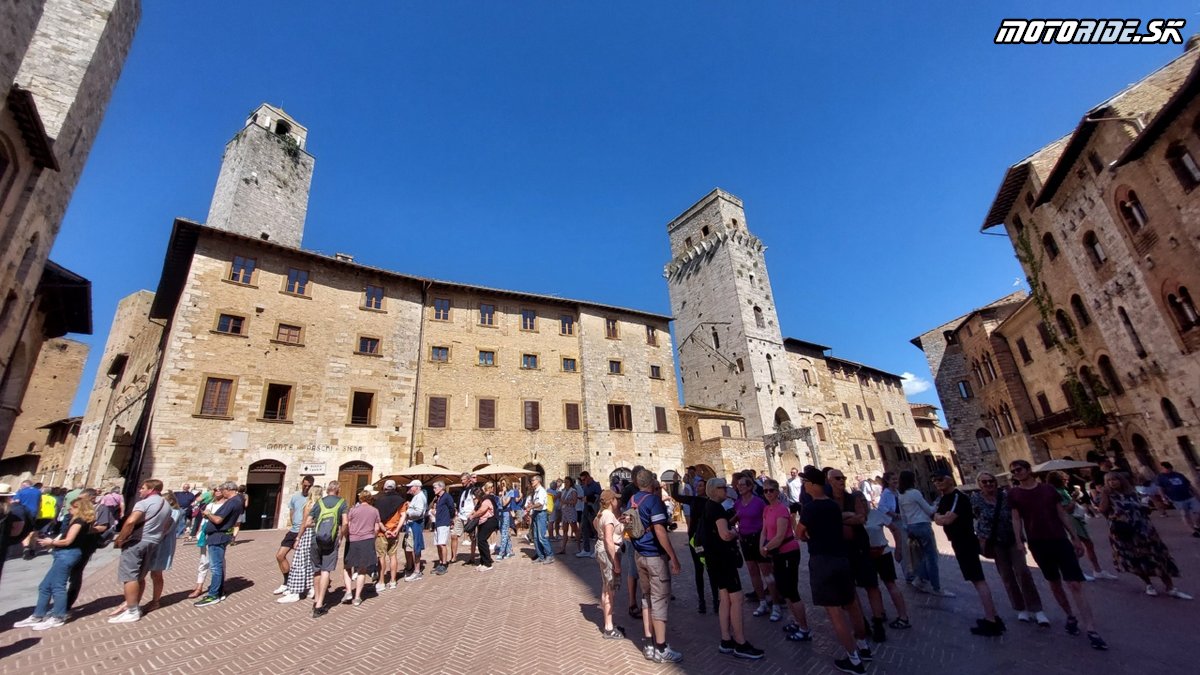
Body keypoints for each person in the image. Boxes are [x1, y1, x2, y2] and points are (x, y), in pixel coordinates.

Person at [1008, 459, 1107, 650]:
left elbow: (1061, 513)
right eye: (1013, 471)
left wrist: (1075, 537)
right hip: (1038, 543)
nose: (1016, 473)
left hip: (1059, 539)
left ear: (1029, 470)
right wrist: (1019, 541)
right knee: (1054, 583)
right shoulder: (1014, 494)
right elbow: (1015, 518)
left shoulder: (1048, 489)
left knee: (1074, 583)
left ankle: (1091, 628)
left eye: (1019, 469)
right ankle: (1070, 615)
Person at [796, 467, 871, 674]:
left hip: (822, 561)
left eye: (806, 482)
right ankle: (863, 645)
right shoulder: (832, 506)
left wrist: (807, 533)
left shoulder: (810, 508)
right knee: (852, 604)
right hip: (841, 558)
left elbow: (799, 532)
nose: (804, 485)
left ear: (812, 484)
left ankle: (854, 660)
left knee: (835, 612)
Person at [692, 477, 763, 659]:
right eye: (723, 488)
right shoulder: (717, 509)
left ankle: (726, 639)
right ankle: (740, 642)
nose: (726, 491)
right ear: (715, 490)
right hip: (723, 560)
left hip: (714, 561)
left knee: (724, 599)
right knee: (737, 599)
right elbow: (724, 534)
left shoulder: (708, 506)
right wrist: (736, 533)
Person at [1096, 471, 1192, 599]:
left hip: (1143, 529)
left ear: (1121, 480)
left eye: (1114, 479)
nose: (1112, 483)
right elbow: (1102, 510)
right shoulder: (1108, 495)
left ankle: (1170, 587)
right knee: (1135, 559)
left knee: (1157, 556)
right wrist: (1105, 496)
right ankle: (1148, 584)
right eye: (1108, 481)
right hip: (1124, 531)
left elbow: (1143, 506)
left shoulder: (1132, 493)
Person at [932, 471, 1003, 636]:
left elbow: (946, 519)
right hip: (958, 542)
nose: (937, 483)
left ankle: (992, 620)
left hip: (966, 541)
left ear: (950, 480)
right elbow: (936, 516)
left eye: (940, 479)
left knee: (978, 580)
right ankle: (992, 616)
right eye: (935, 480)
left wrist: (940, 517)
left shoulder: (958, 497)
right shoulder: (944, 499)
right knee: (975, 579)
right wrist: (939, 517)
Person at [971, 471, 1046, 625]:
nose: (988, 484)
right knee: (1006, 575)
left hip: (1013, 538)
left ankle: (1037, 609)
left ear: (995, 482)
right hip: (995, 542)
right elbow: (976, 518)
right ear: (979, 484)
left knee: (1023, 572)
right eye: (984, 482)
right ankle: (1020, 608)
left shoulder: (1006, 496)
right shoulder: (975, 499)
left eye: (990, 480)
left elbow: (1017, 514)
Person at [13, 496, 95, 630]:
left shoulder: (79, 522)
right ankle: (38, 615)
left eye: (73, 507)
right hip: (64, 554)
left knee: (58, 586)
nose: (69, 508)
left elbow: (68, 541)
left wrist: (51, 542)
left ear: (80, 508)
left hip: (68, 554)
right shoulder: (77, 521)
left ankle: (58, 616)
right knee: (45, 586)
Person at [628, 468, 683, 663]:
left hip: (639, 554)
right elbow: (660, 530)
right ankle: (661, 648)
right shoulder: (653, 501)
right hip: (654, 556)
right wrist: (673, 557)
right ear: (651, 482)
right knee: (659, 599)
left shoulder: (633, 499)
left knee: (646, 598)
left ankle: (649, 644)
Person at [828, 468, 887, 643]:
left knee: (871, 585)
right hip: (841, 549)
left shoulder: (853, 498)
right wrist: (846, 517)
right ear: (829, 481)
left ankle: (877, 622)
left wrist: (840, 518)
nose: (841, 480)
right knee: (850, 588)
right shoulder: (829, 502)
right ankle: (862, 623)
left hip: (859, 547)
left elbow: (861, 519)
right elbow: (830, 521)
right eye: (837, 478)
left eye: (843, 477)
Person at [108, 479, 171, 623]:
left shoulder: (143, 503)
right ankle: (134, 606)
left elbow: (131, 521)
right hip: (153, 542)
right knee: (140, 576)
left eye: (142, 488)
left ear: (150, 489)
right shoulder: (166, 504)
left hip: (137, 541)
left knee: (130, 576)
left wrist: (120, 539)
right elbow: (167, 524)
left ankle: (132, 610)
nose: (140, 491)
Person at [760, 478, 811, 645]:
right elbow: (764, 530)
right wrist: (762, 545)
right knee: (784, 588)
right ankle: (796, 622)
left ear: (777, 492)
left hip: (788, 552)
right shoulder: (767, 509)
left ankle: (804, 629)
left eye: (771, 490)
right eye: (765, 490)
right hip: (777, 553)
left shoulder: (782, 510)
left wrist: (766, 549)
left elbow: (781, 536)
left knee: (791, 591)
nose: (768, 493)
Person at [1047, 471, 1116, 581]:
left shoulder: (1062, 491)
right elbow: (1067, 509)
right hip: (1071, 521)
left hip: (1076, 520)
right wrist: (1074, 498)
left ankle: (1097, 570)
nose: (1067, 482)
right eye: (1065, 480)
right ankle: (1078, 571)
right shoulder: (1057, 492)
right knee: (1078, 548)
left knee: (1088, 545)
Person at [731, 474, 779, 620]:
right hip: (745, 540)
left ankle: (776, 604)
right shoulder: (738, 503)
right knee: (753, 572)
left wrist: (766, 541)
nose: (739, 487)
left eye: (742, 485)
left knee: (767, 572)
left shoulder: (758, 502)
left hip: (758, 538)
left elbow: (766, 521)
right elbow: (736, 517)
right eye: (738, 485)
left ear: (750, 487)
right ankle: (762, 601)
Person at [898, 470, 951, 597]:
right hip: (922, 525)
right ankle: (936, 587)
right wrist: (937, 503)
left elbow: (903, 515)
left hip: (911, 527)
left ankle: (919, 578)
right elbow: (929, 510)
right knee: (932, 557)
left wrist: (907, 528)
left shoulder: (901, 495)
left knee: (922, 556)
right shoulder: (915, 493)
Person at [193, 481, 244, 608]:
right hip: (221, 535)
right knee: (218, 565)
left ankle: (214, 594)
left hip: (218, 536)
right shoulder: (237, 500)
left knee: (216, 567)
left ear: (228, 489)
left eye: (223, 490)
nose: (221, 492)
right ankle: (219, 591)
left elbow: (218, 519)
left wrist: (208, 513)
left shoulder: (232, 502)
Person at [863, 504, 911, 630]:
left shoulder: (876, 513)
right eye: (858, 501)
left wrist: (898, 549)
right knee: (872, 587)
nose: (862, 503)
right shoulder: (854, 516)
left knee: (890, 584)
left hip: (883, 553)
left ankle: (903, 617)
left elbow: (895, 529)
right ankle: (879, 613)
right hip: (866, 556)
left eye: (863, 500)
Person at [309, 481, 348, 617]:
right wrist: (341, 536)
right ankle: (320, 603)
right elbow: (345, 522)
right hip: (331, 540)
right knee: (326, 570)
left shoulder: (319, 503)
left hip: (316, 539)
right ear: (338, 490)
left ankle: (316, 599)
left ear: (327, 490)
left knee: (317, 570)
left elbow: (308, 521)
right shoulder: (342, 502)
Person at [278, 485, 321, 604]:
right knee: (313, 562)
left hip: (306, 536)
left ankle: (295, 591)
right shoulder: (322, 505)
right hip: (318, 536)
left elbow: (304, 523)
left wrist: (298, 537)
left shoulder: (309, 506)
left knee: (299, 562)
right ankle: (311, 588)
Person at [274, 475, 315, 595]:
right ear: (302, 483)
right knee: (280, 555)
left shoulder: (312, 500)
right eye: (305, 485)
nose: (306, 488)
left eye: (309, 486)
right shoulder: (296, 497)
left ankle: (308, 585)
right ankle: (287, 582)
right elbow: (292, 510)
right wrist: (293, 523)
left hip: (305, 532)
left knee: (304, 561)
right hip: (293, 530)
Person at [594, 489, 625, 638]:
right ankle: (608, 627)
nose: (617, 501)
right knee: (609, 589)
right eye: (616, 499)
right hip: (608, 553)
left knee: (605, 586)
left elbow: (596, 526)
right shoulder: (608, 515)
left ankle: (609, 623)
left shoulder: (601, 513)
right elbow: (608, 539)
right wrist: (616, 562)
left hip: (601, 550)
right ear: (612, 500)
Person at [147, 490, 185, 612]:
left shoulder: (174, 512)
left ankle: (155, 600)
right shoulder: (168, 511)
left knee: (156, 573)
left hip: (162, 544)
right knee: (151, 573)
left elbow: (164, 529)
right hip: (157, 543)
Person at [342, 490, 381, 606]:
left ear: (360, 499)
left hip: (353, 540)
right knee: (362, 570)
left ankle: (348, 591)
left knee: (347, 567)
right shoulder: (374, 511)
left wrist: (346, 536)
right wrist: (372, 538)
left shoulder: (353, 510)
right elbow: (377, 528)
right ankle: (358, 597)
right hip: (367, 540)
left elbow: (347, 525)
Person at [188, 488, 225, 599]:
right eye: (216, 490)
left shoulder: (227, 505)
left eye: (220, 490)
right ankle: (199, 587)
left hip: (218, 535)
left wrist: (209, 515)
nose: (217, 492)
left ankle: (219, 588)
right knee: (203, 561)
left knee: (218, 563)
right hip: (206, 533)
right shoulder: (210, 505)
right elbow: (204, 520)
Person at [373, 479, 407, 589]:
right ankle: (393, 581)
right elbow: (403, 515)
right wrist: (397, 529)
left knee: (381, 556)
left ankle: (381, 581)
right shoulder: (400, 500)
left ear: (384, 488)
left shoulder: (378, 500)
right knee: (393, 556)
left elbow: (377, 518)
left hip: (382, 532)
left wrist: (384, 530)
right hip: (394, 532)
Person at [1156, 461, 1200, 537]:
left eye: (1168, 468)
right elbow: (1160, 488)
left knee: (1198, 511)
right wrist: (1164, 498)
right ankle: (1192, 530)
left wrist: (1196, 494)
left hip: (1188, 496)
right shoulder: (1161, 477)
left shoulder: (1178, 475)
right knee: (1185, 514)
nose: (1166, 470)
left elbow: (1189, 485)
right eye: (1164, 468)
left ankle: (1197, 524)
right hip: (1177, 499)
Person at [403, 480, 428, 581]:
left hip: (415, 524)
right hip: (412, 524)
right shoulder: (417, 497)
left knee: (415, 547)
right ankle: (413, 568)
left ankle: (417, 571)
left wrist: (407, 511)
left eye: (411, 487)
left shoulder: (420, 497)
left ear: (417, 487)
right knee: (411, 547)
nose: (410, 489)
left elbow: (418, 512)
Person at [468, 483, 497, 571]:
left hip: (490, 521)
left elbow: (481, 511)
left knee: (482, 540)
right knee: (480, 541)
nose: (475, 497)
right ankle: (483, 561)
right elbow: (476, 509)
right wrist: (471, 514)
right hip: (482, 522)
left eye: (475, 495)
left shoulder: (486, 500)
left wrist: (473, 516)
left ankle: (488, 563)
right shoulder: (481, 500)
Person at [526, 475, 553, 564]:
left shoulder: (541, 491)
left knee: (542, 537)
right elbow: (535, 503)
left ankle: (549, 555)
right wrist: (531, 506)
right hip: (536, 513)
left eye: (533, 480)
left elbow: (540, 504)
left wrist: (531, 507)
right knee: (536, 537)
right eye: (531, 480)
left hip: (541, 514)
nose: (531, 482)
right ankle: (540, 555)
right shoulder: (535, 491)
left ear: (538, 481)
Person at [432, 480, 455, 574]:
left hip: (444, 523)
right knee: (438, 544)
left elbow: (451, 509)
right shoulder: (438, 498)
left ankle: (444, 564)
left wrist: (450, 519)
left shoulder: (447, 497)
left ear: (441, 488)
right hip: (438, 523)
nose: (433, 490)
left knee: (442, 544)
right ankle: (440, 562)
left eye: (435, 488)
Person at [452, 473, 476, 564]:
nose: (462, 482)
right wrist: (457, 513)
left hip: (469, 516)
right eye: (461, 480)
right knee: (454, 535)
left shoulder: (473, 490)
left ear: (469, 480)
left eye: (463, 480)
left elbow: (477, 503)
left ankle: (472, 557)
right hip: (460, 516)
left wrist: (472, 514)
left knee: (472, 537)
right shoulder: (462, 491)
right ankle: (453, 557)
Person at [579, 471, 601, 558]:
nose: (583, 481)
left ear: (588, 477)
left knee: (595, 530)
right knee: (584, 528)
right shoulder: (584, 486)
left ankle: (597, 551)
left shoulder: (596, 485)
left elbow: (597, 497)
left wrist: (587, 498)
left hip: (593, 510)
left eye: (584, 479)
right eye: (582, 480)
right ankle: (586, 550)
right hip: (586, 509)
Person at [558, 476, 580, 555]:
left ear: (570, 483)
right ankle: (563, 548)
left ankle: (579, 548)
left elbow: (574, 502)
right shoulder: (563, 491)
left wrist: (565, 502)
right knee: (564, 530)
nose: (566, 483)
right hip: (564, 512)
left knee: (575, 530)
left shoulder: (573, 491)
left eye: (567, 482)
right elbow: (561, 500)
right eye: (565, 482)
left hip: (571, 511)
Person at [496, 478, 515, 561]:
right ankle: (510, 551)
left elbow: (504, 503)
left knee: (504, 533)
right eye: (501, 484)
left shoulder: (511, 492)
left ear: (507, 484)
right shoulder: (500, 494)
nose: (502, 485)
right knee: (503, 532)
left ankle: (501, 553)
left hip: (506, 514)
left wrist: (503, 494)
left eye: (503, 484)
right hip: (500, 514)